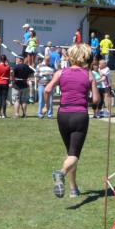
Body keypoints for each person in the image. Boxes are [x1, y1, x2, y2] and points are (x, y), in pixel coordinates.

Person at [45, 44, 100, 198]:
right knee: (74, 154)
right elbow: (96, 100)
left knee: (70, 153)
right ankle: (61, 173)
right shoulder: (89, 74)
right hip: (79, 115)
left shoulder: (60, 72)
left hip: (63, 115)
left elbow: (48, 90)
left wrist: (46, 107)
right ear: (85, 57)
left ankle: (73, 188)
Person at [0, 54, 11, 118]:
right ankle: (4, 114)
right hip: (5, 83)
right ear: (5, 59)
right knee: (4, 99)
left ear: (0, 59)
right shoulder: (8, 67)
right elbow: (8, 75)